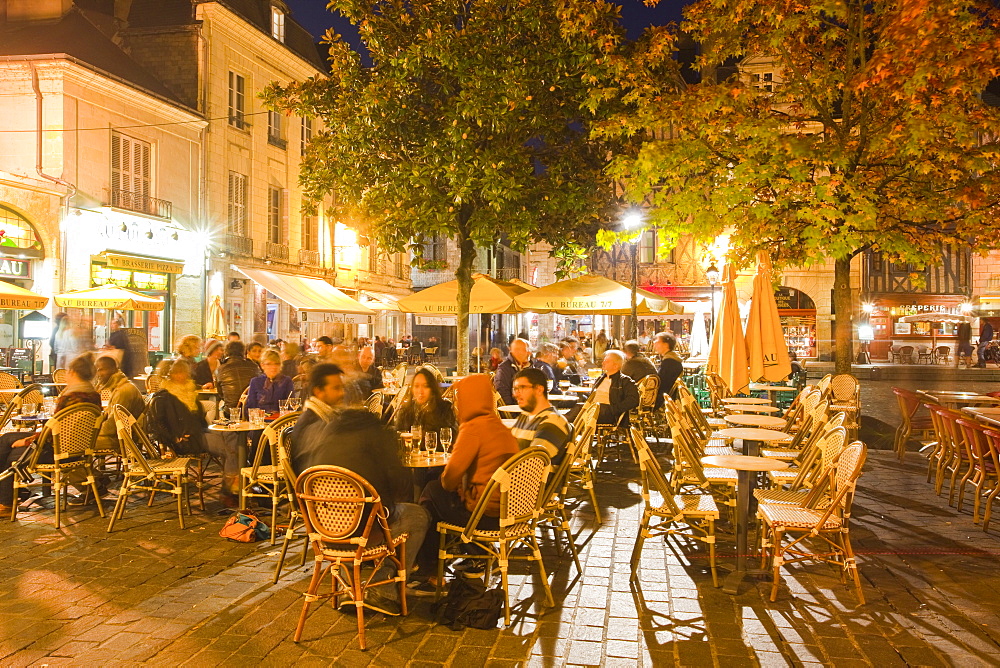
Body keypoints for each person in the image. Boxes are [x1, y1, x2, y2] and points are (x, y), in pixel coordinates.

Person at [292, 363, 427, 616]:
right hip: (361, 532)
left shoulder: (322, 431)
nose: (341, 393)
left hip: (322, 530)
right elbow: (395, 485)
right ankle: (382, 588)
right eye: (336, 388)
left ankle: (349, 587)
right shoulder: (370, 432)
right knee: (417, 515)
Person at [413, 374, 518, 592]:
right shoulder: (499, 428)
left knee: (432, 490)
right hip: (512, 513)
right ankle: (458, 557)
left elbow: (449, 479)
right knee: (435, 497)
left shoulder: (474, 429)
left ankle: (430, 571)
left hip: (484, 516)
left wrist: (452, 484)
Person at [0, 354, 103, 512]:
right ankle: (8, 494)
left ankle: (6, 503)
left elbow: (52, 431)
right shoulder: (94, 396)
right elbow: (59, 428)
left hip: (55, 449)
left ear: (73, 372)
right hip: (77, 448)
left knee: (11, 454)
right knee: (6, 438)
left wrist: (27, 441)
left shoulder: (69, 397)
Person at [148, 360, 209, 457]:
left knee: (227, 438)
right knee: (226, 443)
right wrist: (174, 438)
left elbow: (198, 416)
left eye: (183, 372)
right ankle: (232, 470)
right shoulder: (165, 396)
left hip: (197, 433)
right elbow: (159, 424)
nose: (181, 376)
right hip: (185, 441)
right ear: (171, 374)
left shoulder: (189, 390)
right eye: (177, 372)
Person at [511, 368, 571, 466]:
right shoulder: (525, 417)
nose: (516, 394)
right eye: (515, 389)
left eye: (522, 388)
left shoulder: (553, 422)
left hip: (524, 479)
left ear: (539, 389)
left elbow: (533, 465)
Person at [93, 355, 145, 454]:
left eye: (101, 370)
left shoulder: (123, 391)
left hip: (123, 439)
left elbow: (112, 426)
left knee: (78, 443)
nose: (98, 374)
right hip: (120, 436)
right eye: (97, 370)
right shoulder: (120, 387)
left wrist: (93, 433)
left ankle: (80, 468)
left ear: (114, 369)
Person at [393, 367, 457, 436]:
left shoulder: (444, 409)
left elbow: (451, 436)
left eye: (425, 386)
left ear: (432, 388)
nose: (420, 391)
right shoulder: (405, 410)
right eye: (416, 386)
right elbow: (397, 436)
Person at [588, 350, 640, 426]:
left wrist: (615, 409)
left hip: (610, 413)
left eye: (607, 361)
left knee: (579, 410)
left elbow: (634, 400)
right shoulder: (600, 378)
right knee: (579, 407)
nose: (603, 363)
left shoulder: (625, 381)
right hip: (594, 409)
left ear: (615, 366)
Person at [214, 341, 260, 418]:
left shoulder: (221, 369)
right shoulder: (254, 366)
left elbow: (221, 394)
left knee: (220, 405)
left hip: (231, 412)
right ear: (243, 352)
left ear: (226, 352)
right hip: (251, 410)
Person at [245, 350, 294, 416]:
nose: (273, 367)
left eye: (277, 364)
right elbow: (250, 407)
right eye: (269, 364)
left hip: (280, 421)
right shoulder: (255, 382)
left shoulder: (286, 381)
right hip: (261, 420)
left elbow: (291, 406)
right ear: (262, 365)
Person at [493, 338, 533, 405]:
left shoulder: (531, 367)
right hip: (516, 409)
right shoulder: (504, 369)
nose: (529, 353)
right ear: (516, 351)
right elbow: (503, 394)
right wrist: (514, 414)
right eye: (526, 350)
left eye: (530, 350)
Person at [652, 331, 683, 407]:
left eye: (657, 342)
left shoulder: (669, 362)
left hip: (663, 399)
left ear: (666, 345)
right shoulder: (672, 359)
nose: (654, 344)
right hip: (667, 397)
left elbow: (662, 383)